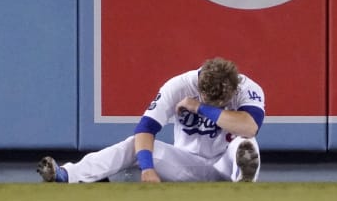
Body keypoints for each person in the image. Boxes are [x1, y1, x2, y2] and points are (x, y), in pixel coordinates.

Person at [37, 57, 265, 183]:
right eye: (211, 100)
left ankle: (242, 183)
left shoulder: (246, 87)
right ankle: (68, 175)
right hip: (187, 163)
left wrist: (200, 107)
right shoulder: (178, 86)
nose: (219, 103)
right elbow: (145, 128)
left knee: (246, 144)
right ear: (200, 87)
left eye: (223, 100)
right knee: (133, 145)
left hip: (227, 162)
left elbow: (250, 126)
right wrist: (147, 168)